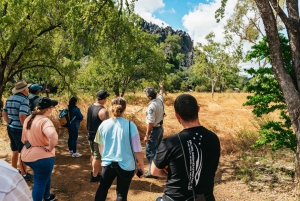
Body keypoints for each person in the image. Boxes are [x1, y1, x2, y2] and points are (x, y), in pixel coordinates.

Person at [151, 94, 220, 201]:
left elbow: (154, 171)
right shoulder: (214, 138)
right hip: (205, 198)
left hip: (175, 198)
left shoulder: (170, 142)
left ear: (177, 116)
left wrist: (171, 173)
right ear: (198, 109)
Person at [94, 97, 144, 201]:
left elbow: (100, 146)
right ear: (125, 108)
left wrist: (105, 158)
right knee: (121, 193)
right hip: (127, 165)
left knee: (103, 188)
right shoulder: (131, 126)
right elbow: (137, 150)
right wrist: (141, 165)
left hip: (108, 164)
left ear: (110, 108)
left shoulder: (103, 124)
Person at [21, 97, 59, 201]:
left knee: (44, 176)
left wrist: (34, 144)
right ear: (49, 109)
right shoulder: (45, 121)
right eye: (52, 107)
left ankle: (46, 196)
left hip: (27, 156)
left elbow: (24, 140)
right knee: (39, 183)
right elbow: (53, 136)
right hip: (43, 158)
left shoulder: (29, 118)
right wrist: (50, 147)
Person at [2, 80, 33, 181]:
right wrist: (26, 129)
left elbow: (4, 113)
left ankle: (13, 172)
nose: (28, 89)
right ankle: (24, 174)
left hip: (11, 128)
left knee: (14, 151)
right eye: (27, 88)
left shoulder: (10, 98)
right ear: (24, 90)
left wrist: (9, 122)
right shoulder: (24, 100)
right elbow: (22, 116)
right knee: (23, 151)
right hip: (20, 129)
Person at [87, 90, 110, 182]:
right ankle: (95, 175)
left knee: (93, 154)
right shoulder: (103, 111)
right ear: (104, 99)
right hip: (98, 137)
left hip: (90, 135)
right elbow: (107, 127)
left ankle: (93, 171)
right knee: (98, 156)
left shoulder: (90, 106)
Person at [143, 82, 165, 178]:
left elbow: (150, 122)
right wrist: (161, 87)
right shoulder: (159, 100)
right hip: (160, 128)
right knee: (157, 150)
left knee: (151, 151)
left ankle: (152, 172)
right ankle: (158, 169)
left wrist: (147, 135)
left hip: (154, 130)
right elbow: (161, 94)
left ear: (148, 97)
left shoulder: (151, 107)